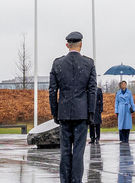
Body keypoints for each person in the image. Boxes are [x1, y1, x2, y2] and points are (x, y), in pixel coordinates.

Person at [48, 31, 97, 183]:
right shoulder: (89, 63)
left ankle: (64, 180)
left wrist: (55, 113)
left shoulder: (58, 63)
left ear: (67, 45)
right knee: (78, 152)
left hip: (64, 113)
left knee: (65, 151)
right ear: (81, 45)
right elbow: (92, 90)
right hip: (81, 113)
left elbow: (52, 91)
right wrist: (90, 113)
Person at [88, 79, 103, 144]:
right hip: (90, 109)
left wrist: (101, 109)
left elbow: (101, 100)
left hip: (97, 109)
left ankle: (98, 137)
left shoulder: (99, 90)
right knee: (91, 124)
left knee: (97, 125)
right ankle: (92, 138)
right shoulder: (88, 90)